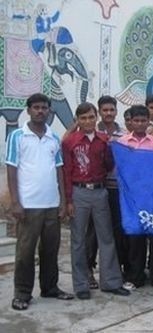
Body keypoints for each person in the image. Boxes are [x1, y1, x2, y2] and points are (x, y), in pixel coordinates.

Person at [6, 93, 74, 311]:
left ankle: (50, 287)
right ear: (28, 110)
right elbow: (11, 169)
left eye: (44, 108)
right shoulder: (17, 136)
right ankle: (22, 294)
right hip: (28, 205)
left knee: (50, 250)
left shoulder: (53, 138)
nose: (40, 111)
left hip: (51, 204)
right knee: (25, 252)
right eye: (36, 107)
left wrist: (63, 202)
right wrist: (15, 202)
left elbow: (59, 170)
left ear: (49, 111)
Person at [62, 102, 129, 300]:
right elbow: (66, 172)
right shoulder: (70, 142)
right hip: (78, 192)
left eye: (91, 117)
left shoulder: (103, 140)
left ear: (96, 118)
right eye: (83, 118)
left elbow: (109, 165)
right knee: (78, 240)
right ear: (78, 121)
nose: (88, 121)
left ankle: (111, 282)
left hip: (100, 191)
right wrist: (68, 200)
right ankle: (81, 285)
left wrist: (110, 150)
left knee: (106, 237)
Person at [118, 105, 153, 291]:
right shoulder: (121, 142)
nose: (139, 124)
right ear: (130, 122)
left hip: (152, 197)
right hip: (131, 198)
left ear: (148, 121)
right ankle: (135, 276)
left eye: (143, 120)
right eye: (136, 120)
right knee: (135, 238)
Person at [85, 96, 128, 290]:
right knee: (93, 231)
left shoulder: (124, 134)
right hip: (99, 187)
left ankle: (114, 269)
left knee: (117, 231)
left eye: (112, 110)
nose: (108, 113)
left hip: (118, 189)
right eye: (105, 110)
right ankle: (88, 269)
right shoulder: (93, 132)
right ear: (99, 112)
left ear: (116, 111)